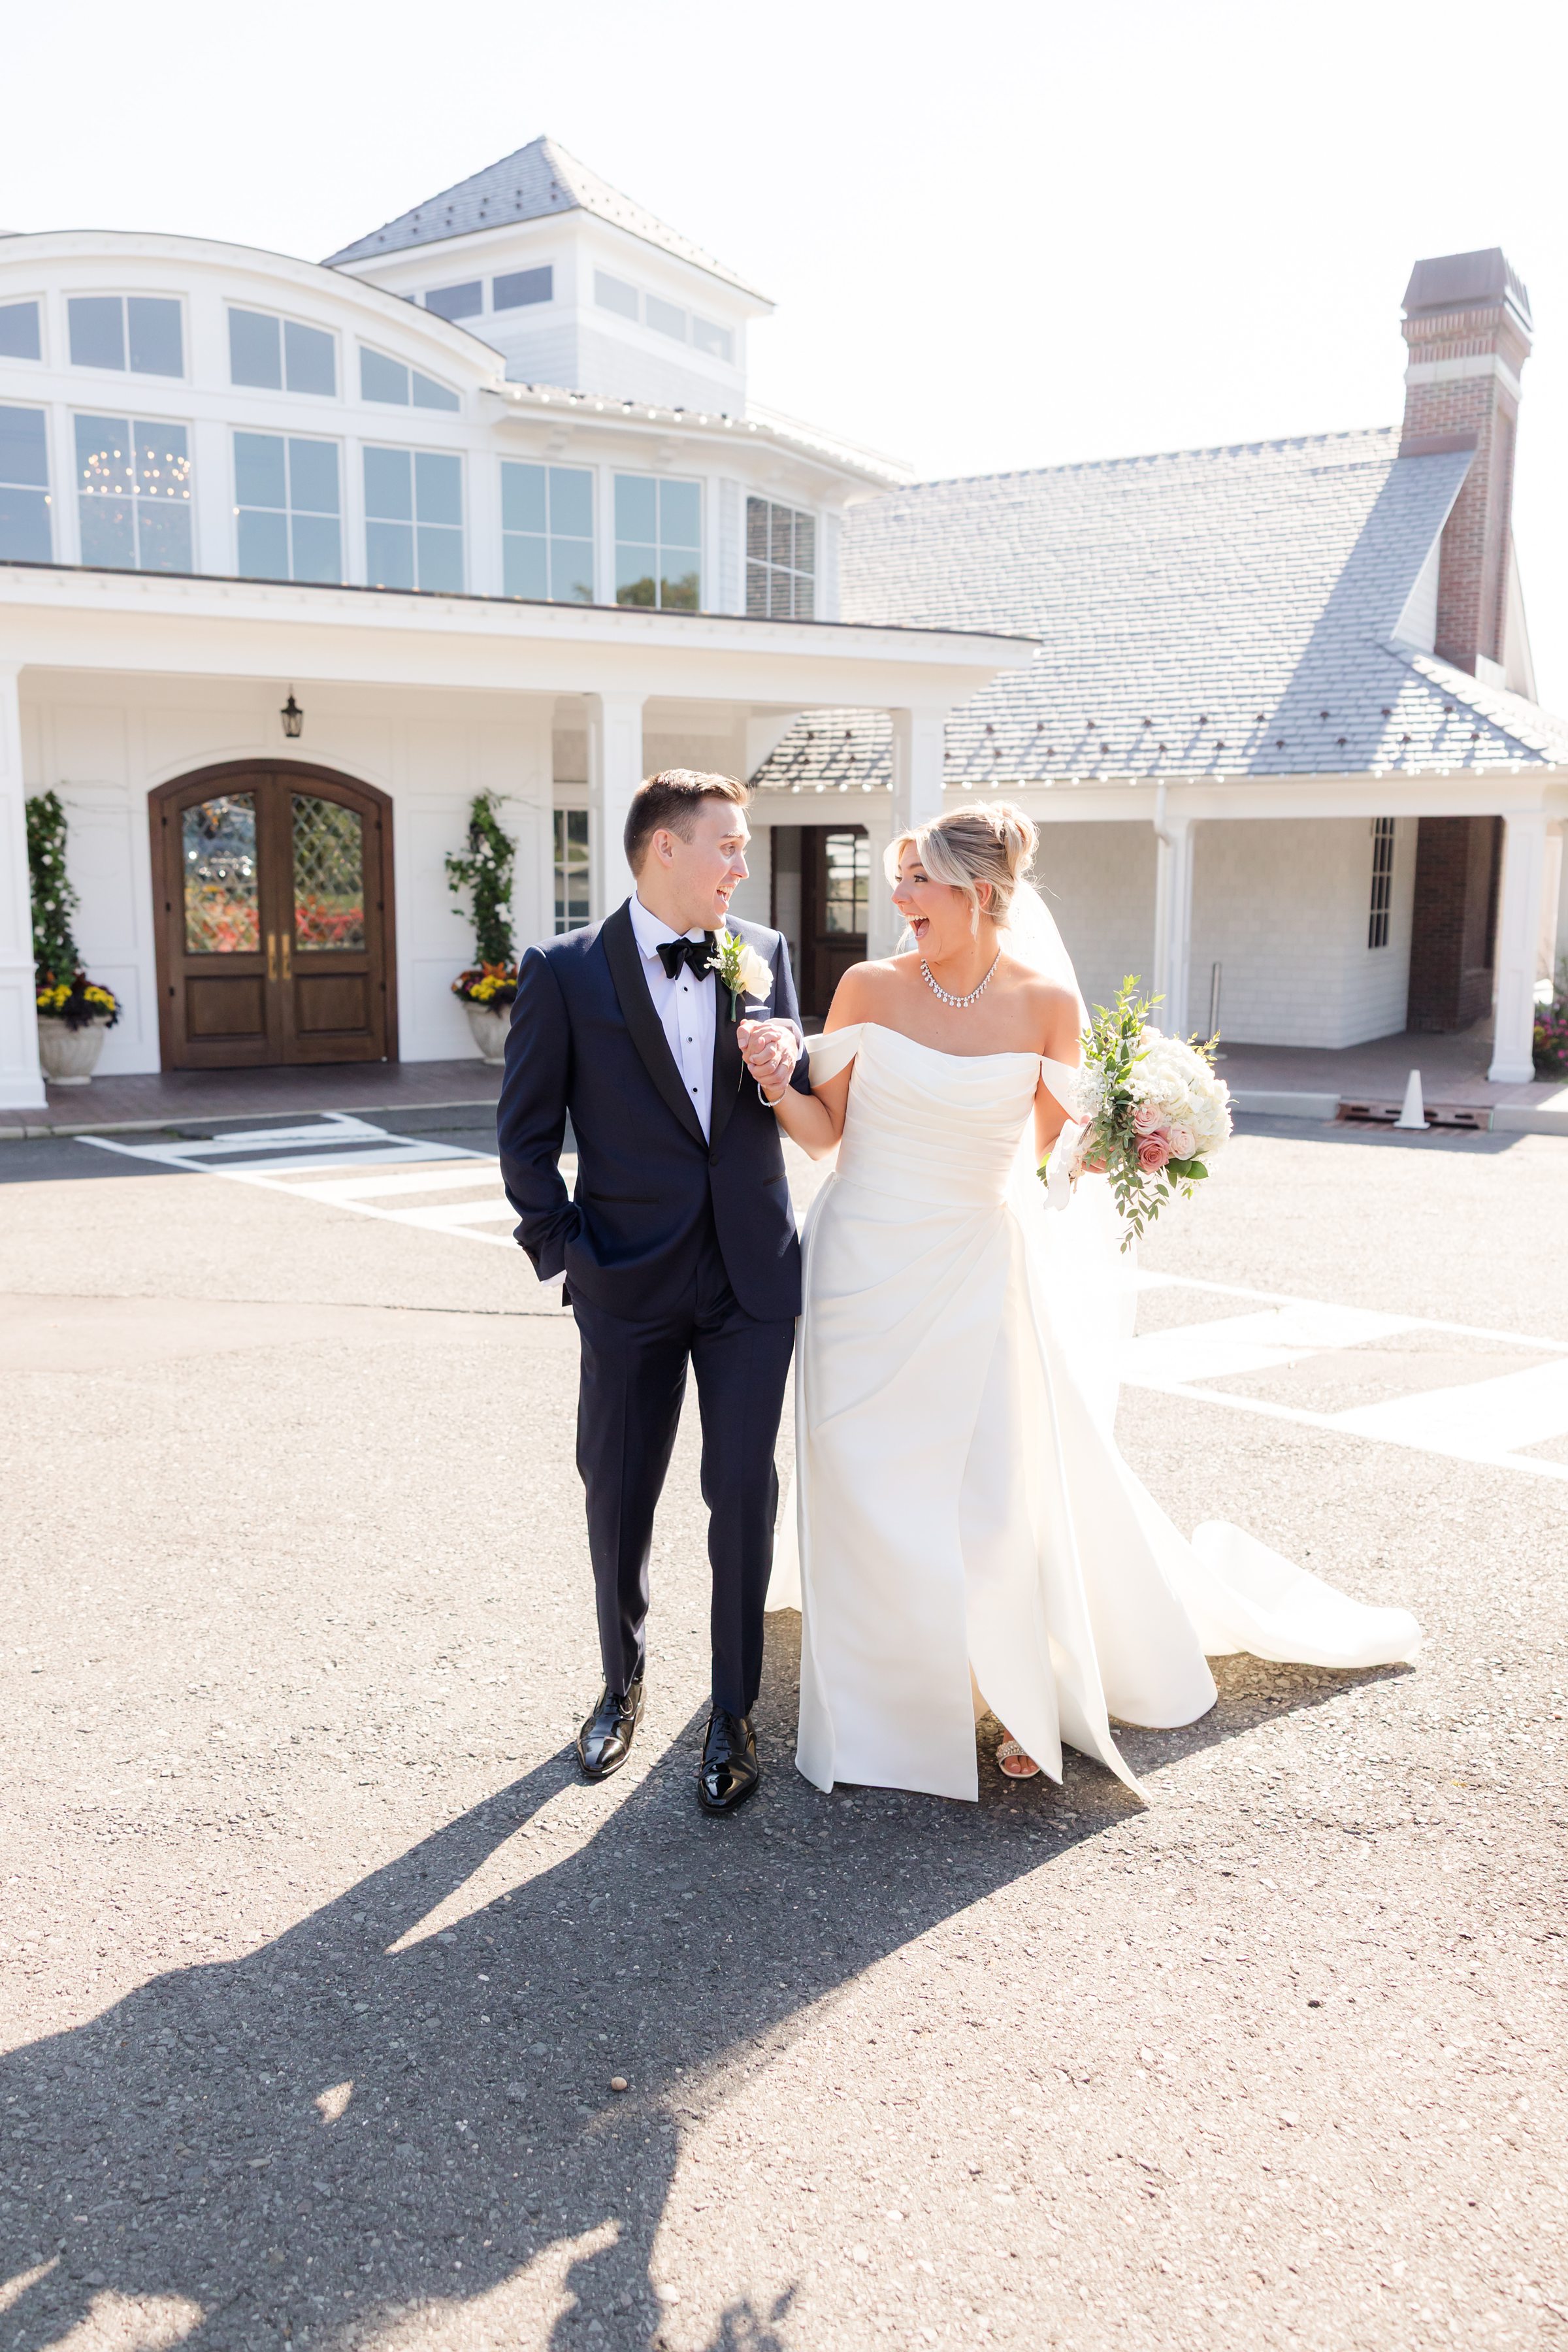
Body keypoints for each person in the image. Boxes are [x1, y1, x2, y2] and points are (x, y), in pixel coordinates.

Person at [748, 803, 1420, 1801]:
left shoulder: (1047, 1002)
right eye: (898, 882)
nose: (900, 901)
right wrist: (775, 1084)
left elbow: (1060, 1157)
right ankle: (886, 1700)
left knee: (984, 1490)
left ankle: (1014, 1689)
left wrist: (1148, 1132)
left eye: (918, 882)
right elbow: (824, 1138)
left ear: (977, 894)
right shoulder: (867, 986)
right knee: (864, 1478)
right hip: (859, 1266)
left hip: (972, 1263)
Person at [498, 769, 805, 1815]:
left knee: (742, 1492)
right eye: (727, 844)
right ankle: (620, 1681)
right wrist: (569, 1253)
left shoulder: (764, 955)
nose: (742, 864)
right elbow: (526, 1137)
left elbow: (797, 1100)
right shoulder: (565, 971)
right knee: (619, 1488)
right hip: (626, 1278)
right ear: (663, 848)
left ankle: (731, 1711)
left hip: (751, 1271)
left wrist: (786, 1061)